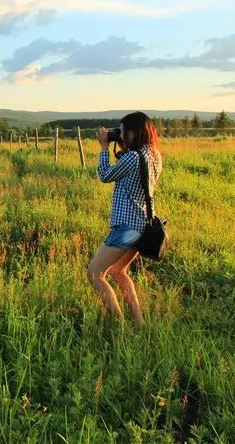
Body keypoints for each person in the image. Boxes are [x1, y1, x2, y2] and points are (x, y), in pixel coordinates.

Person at [87, 111, 162, 326]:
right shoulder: (154, 154)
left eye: (121, 131)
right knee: (118, 271)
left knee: (95, 273)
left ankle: (119, 327)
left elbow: (105, 175)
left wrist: (104, 148)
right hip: (142, 225)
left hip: (126, 226)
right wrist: (123, 146)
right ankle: (139, 322)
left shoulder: (133, 157)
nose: (118, 134)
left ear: (133, 132)